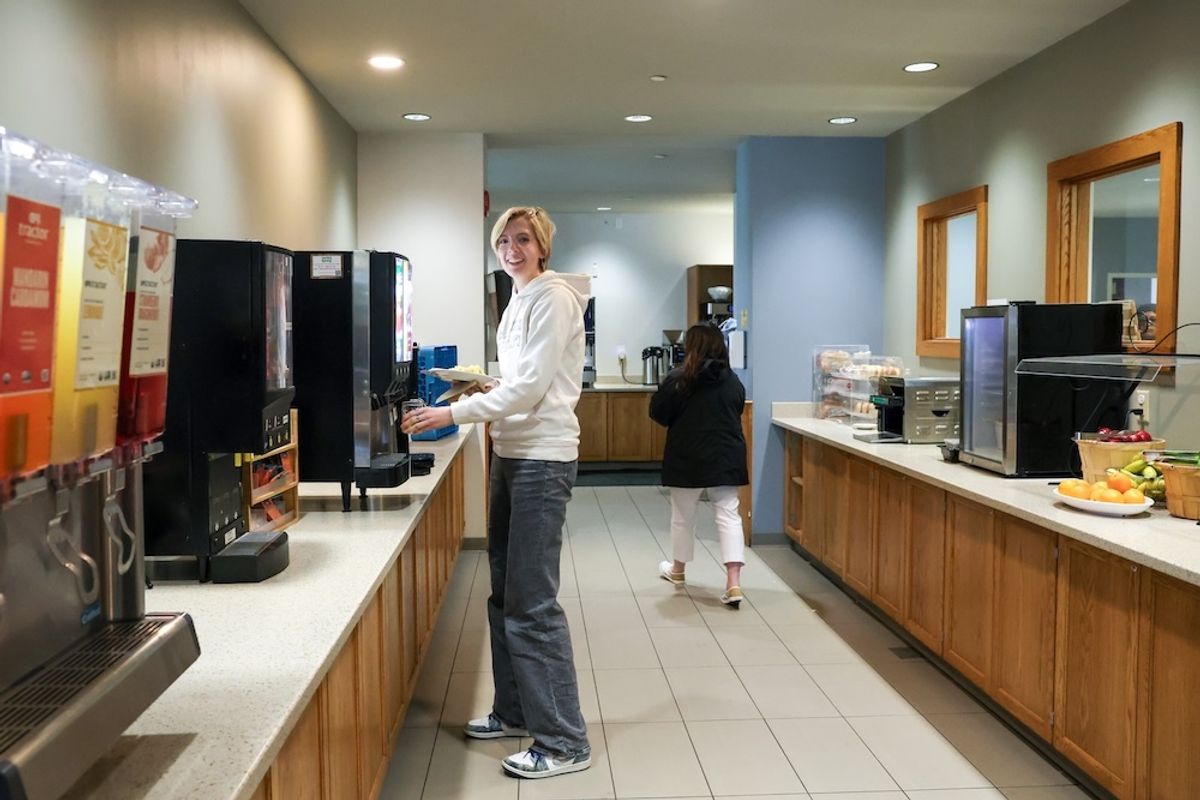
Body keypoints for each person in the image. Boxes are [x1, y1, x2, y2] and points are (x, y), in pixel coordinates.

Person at [401, 206, 591, 779]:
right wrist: (482, 386)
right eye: (503, 240)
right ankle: (515, 712)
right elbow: (521, 382)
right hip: (511, 452)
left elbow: (531, 390)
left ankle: (564, 741)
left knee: (532, 604)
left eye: (523, 239)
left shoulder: (554, 297)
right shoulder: (518, 300)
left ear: (543, 246)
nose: (512, 249)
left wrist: (451, 413)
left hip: (542, 459)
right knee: (504, 596)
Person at [649, 323, 749, 607]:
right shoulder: (733, 381)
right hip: (726, 455)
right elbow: (738, 408)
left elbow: (658, 413)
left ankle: (678, 570)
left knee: (683, 516)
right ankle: (733, 583)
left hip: (687, 455)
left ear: (690, 347)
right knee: (729, 516)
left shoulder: (678, 380)